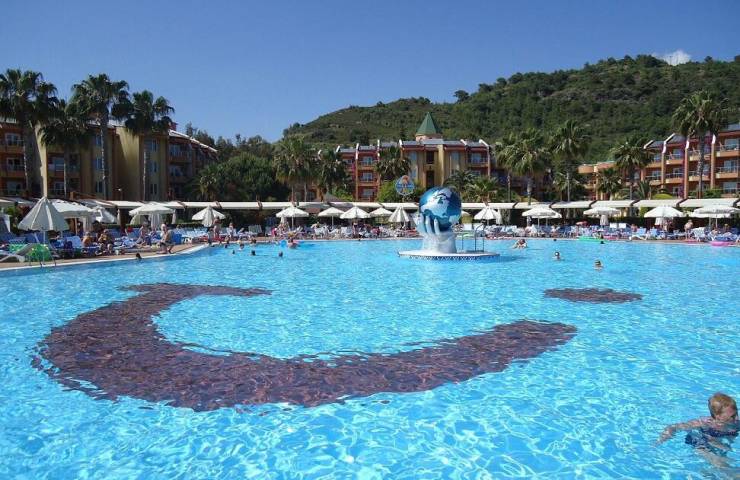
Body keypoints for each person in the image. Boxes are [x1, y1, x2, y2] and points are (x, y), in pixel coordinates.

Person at [658, 393, 738, 469]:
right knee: (721, 466)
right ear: (718, 416)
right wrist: (662, 439)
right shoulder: (704, 423)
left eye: (736, 413)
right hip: (702, 444)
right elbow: (673, 427)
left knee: (720, 464)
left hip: (719, 445)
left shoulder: (736, 423)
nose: (736, 417)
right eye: (732, 416)